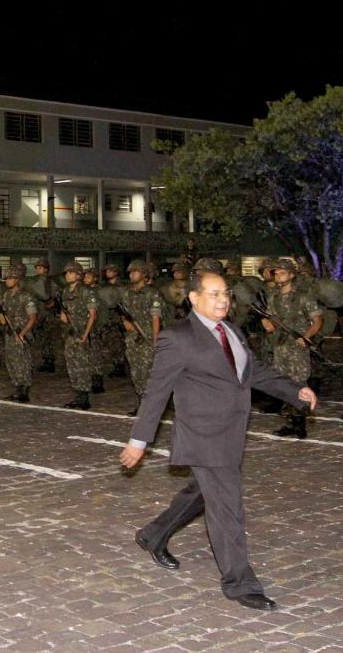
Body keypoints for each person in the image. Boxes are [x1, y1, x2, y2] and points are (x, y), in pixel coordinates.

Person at [120, 272, 317, 611]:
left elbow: (252, 372)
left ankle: (154, 535)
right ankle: (240, 583)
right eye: (213, 294)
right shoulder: (177, 337)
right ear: (194, 298)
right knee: (227, 508)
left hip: (231, 433)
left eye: (225, 293)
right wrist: (139, 440)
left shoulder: (232, 331)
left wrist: (294, 391)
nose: (223, 299)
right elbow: (156, 392)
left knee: (202, 492)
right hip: (204, 435)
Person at [262, 259, 322, 439]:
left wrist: (306, 337)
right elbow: (271, 320)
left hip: (297, 347)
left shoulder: (303, 296)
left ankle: (299, 424)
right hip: (280, 346)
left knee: (299, 383)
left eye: (282, 272)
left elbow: (317, 320)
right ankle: (290, 422)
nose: (278, 276)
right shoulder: (273, 297)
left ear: (291, 275)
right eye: (276, 273)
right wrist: (266, 322)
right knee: (283, 384)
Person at [120, 259, 164, 416]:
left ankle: (153, 406)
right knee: (136, 372)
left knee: (149, 373)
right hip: (133, 339)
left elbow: (156, 318)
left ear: (144, 274)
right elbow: (124, 313)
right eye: (130, 272)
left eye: (135, 271)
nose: (132, 274)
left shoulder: (152, 293)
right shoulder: (128, 293)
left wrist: (155, 340)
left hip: (148, 339)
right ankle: (142, 404)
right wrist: (126, 322)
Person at [58, 262, 98, 410]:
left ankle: (84, 397)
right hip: (69, 334)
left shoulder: (86, 291)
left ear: (78, 275)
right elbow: (64, 310)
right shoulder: (65, 291)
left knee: (82, 366)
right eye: (67, 273)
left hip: (81, 333)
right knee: (71, 365)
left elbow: (92, 315)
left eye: (71, 273)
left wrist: (86, 335)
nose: (68, 275)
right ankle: (78, 394)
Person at [0, 265, 38, 403]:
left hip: (22, 333)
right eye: (6, 278)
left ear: (17, 279)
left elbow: (32, 317)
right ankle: (17, 388)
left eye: (10, 278)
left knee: (23, 362)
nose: (7, 281)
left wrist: (22, 333)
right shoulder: (6, 295)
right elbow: (4, 314)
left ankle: (24, 390)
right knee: (11, 361)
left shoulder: (26, 296)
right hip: (10, 333)